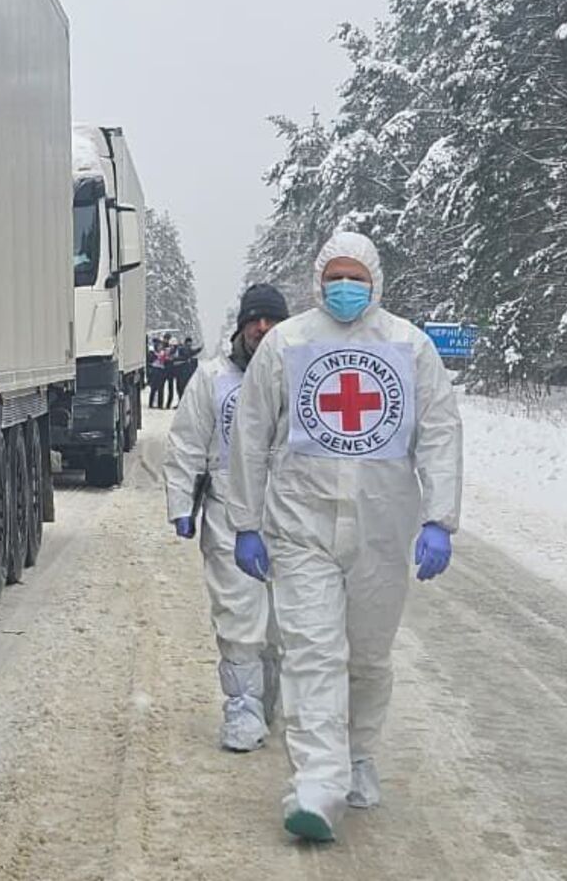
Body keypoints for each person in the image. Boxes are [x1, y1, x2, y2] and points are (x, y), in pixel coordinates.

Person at [225, 232, 462, 843]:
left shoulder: (409, 347)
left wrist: (440, 517)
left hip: (383, 529)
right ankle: (316, 783)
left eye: (357, 276)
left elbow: (438, 431)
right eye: (336, 275)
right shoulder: (288, 342)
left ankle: (357, 753)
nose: (346, 286)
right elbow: (250, 436)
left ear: (376, 279)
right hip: (301, 525)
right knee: (312, 653)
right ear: (317, 279)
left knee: (368, 655)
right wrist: (245, 523)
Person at [165, 283, 291, 753]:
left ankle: (270, 699)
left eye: (272, 321)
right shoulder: (213, 378)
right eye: (255, 320)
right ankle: (242, 706)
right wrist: (182, 503)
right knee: (239, 615)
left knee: (285, 618)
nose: (262, 329)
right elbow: (186, 442)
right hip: (228, 515)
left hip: (293, 514)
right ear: (241, 326)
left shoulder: (299, 377)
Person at [147, 338, 170, 410]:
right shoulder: (152, 352)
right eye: (159, 346)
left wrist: (165, 358)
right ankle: (151, 404)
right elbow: (150, 360)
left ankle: (160, 404)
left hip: (162, 370)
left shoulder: (164, 353)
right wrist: (156, 357)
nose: (160, 347)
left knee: (161, 388)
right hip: (155, 370)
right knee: (153, 388)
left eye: (161, 346)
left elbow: (167, 361)